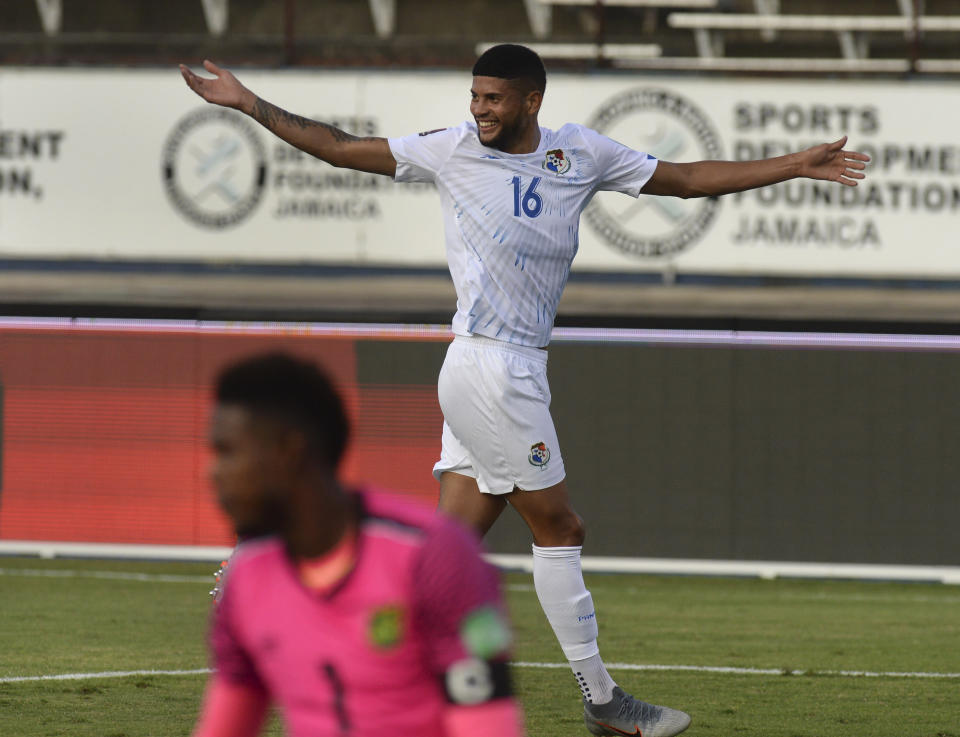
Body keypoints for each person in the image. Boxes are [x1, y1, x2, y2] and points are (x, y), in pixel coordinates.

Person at [181, 45, 869, 737]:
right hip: (490, 367)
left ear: (531, 100)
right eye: (475, 96)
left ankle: (294, 586)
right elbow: (336, 147)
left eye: (493, 99)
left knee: (444, 553)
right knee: (560, 526)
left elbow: (686, 178)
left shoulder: (581, 153)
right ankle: (603, 699)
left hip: (512, 368)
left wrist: (793, 165)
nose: (478, 109)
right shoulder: (450, 150)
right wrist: (248, 103)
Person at [193, 352, 524, 737]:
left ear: (290, 452)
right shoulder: (245, 577)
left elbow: (487, 723)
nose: (212, 474)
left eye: (227, 452)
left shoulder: (437, 555)